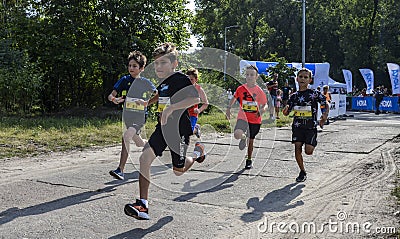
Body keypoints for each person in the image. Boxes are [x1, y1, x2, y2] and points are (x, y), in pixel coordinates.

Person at [124, 42, 206, 220]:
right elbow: (159, 95)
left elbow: (195, 98)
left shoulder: (181, 79)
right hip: (162, 128)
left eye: (163, 63)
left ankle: (197, 153)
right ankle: (143, 205)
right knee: (144, 158)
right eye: (156, 63)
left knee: (178, 170)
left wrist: (171, 108)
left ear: (174, 63)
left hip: (180, 131)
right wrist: (147, 103)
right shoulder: (163, 82)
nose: (158, 67)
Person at [108, 51, 157, 180]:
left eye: (135, 66)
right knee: (139, 142)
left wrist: (146, 103)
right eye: (130, 65)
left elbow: (158, 94)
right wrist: (114, 99)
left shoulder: (145, 82)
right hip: (128, 117)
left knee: (126, 136)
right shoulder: (124, 80)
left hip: (139, 117)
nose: (131, 68)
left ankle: (120, 170)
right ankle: (151, 145)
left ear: (141, 68)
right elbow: (111, 95)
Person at [282, 68, 328, 182]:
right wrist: (286, 110)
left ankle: (312, 142)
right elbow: (287, 112)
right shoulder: (294, 96)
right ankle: (302, 171)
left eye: (305, 77)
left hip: (310, 127)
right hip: (297, 126)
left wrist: (324, 115)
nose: (303, 79)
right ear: (297, 79)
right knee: (297, 148)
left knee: (308, 151)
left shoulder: (314, 93)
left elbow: (325, 103)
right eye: (301, 77)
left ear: (310, 80)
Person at [226, 65, 268, 170]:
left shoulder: (259, 91)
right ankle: (243, 138)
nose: (249, 77)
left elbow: (265, 104)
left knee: (251, 141)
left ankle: (249, 160)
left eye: (252, 75)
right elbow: (234, 98)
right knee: (237, 134)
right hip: (243, 117)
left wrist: (262, 110)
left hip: (255, 120)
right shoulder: (241, 88)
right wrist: (228, 108)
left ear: (256, 76)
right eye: (247, 75)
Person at [186, 68, 209, 138]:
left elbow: (206, 103)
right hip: (184, 113)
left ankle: (196, 129)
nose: (189, 81)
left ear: (196, 79)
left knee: (189, 131)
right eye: (188, 79)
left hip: (193, 113)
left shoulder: (199, 89)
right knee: (182, 130)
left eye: (191, 79)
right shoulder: (183, 88)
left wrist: (199, 110)